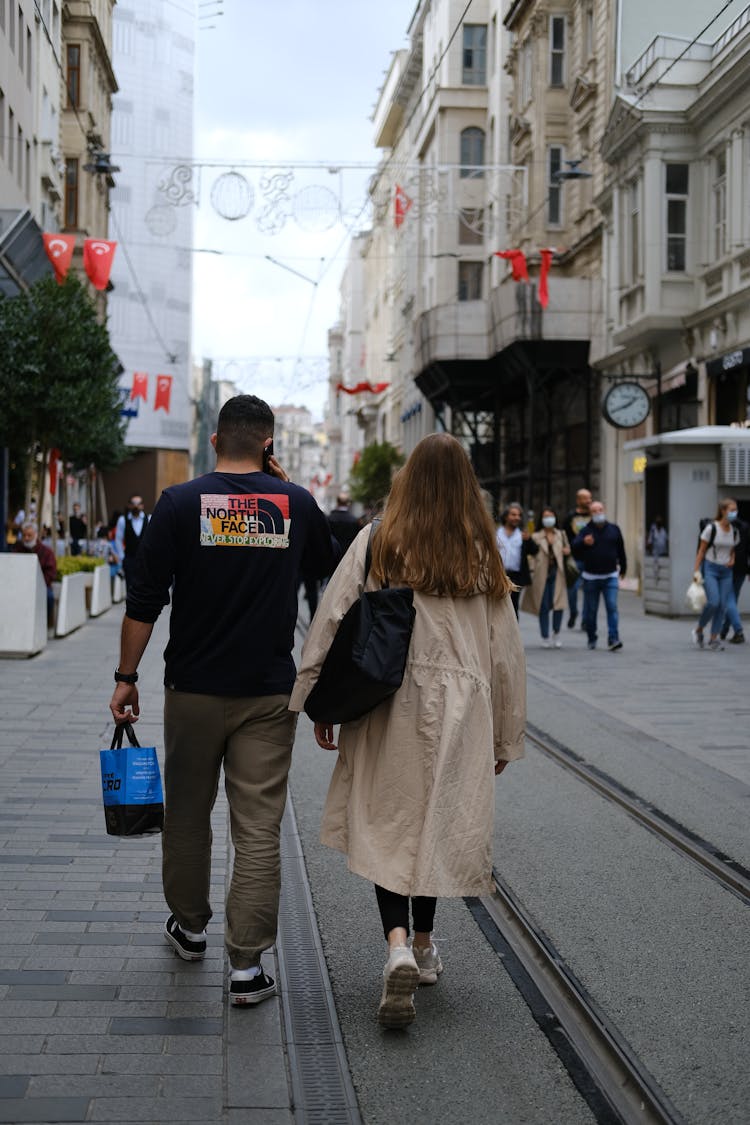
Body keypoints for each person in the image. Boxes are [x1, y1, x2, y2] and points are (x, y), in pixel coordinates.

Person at [108, 395, 338, 1007]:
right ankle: (246, 967)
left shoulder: (181, 503)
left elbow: (144, 597)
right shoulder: (295, 503)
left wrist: (126, 676)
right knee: (258, 825)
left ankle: (188, 927)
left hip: (192, 689)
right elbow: (328, 574)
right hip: (268, 691)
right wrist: (286, 493)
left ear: (214, 441)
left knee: (186, 812)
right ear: (269, 442)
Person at [289, 433, 526, 1029]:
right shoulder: (482, 550)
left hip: (387, 698)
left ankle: (396, 943)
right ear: (467, 486)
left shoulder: (378, 538)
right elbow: (505, 651)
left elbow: (333, 615)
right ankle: (423, 947)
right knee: (435, 821)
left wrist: (317, 699)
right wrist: (504, 733)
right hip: (461, 705)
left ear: (407, 480)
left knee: (390, 822)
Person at [572, 500, 627, 652]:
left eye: (600, 509)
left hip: (610, 575)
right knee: (591, 611)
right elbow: (574, 547)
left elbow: (621, 549)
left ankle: (613, 638)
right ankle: (591, 637)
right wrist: (583, 542)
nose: (598, 513)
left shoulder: (614, 529)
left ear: (605, 510)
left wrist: (624, 567)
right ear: (591, 514)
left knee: (612, 606)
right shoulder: (585, 530)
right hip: (591, 578)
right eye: (594, 511)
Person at [692, 498, 741, 652]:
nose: (734, 513)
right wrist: (696, 570)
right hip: (711, 568)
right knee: (713, 601)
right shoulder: (711, 529)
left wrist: (732, 559)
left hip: (726, 571)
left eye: (735, 510)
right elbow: (701, 550)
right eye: (731, 510)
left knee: (722, 605)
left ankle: (714, 638)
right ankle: (699, 629)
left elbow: (732, 550)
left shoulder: (734, 531)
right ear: (723, 511)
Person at [521, 506, 571, 648]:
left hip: (557, 573)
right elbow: (531, 555)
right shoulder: (536, 536)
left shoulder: (561, 534)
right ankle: (545, 636)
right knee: (543, 605)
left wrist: (567, 551)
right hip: (541, 574)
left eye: (551, 515)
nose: (548, 519)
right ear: (542, 519)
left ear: (555, 517)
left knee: (558, 605)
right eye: (545, 516)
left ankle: (556, 633)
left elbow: (567, 550)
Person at [495, 502, 538, 616]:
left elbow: (534, 551)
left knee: (513, 608)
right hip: (499, 574)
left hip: (516, 577)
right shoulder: (496, 533)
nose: (516, 518)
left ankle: (513, 632)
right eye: (513, 515)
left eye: (519, 515)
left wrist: (529, 540)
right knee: (497, 607)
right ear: (506, 516)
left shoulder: (522, 535)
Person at [13, 521, 56, 625]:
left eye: (29, 535)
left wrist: (39, 584)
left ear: (36, 535)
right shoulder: (17, 550)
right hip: (21, 586)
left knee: (49, 597)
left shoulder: (46, 552)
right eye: (24, 535)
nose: (26, 538)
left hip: (42, 586)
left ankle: (45, 623)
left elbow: (51, 573)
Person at [562, 488, 592, 629]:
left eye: (590, 498)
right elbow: (564, 536)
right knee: (572, 590)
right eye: (585, 498)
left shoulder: (594, 516)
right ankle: (573, 612)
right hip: (574, 559)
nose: (589, 501)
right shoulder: (570, 517)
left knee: (589, 590)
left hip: (591, 559)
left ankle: (586, 619)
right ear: (578, 500)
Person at [719, 502, 746, 645]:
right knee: (732, 601)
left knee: (729, 600)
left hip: (728, 567)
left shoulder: (725, 526)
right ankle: (724, 630)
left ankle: (738, 631)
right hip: (742, 569)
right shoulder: (746, 527)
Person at [115, 495, 149, 589]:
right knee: (130, 586)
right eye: (133, 504)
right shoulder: (123, 520)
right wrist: (122, 558)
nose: (136, 506)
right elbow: (118, 539)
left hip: (144, 560)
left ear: (142, 505)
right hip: (129, 559)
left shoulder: (149, 519)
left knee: (144, 587)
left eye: (138, 504)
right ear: (129, 505)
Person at [327, 494, 360, 565]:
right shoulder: (354, 520)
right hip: (348, 555)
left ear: (337, 502)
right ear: (348, 503)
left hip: (332, 554)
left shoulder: (329, 518)